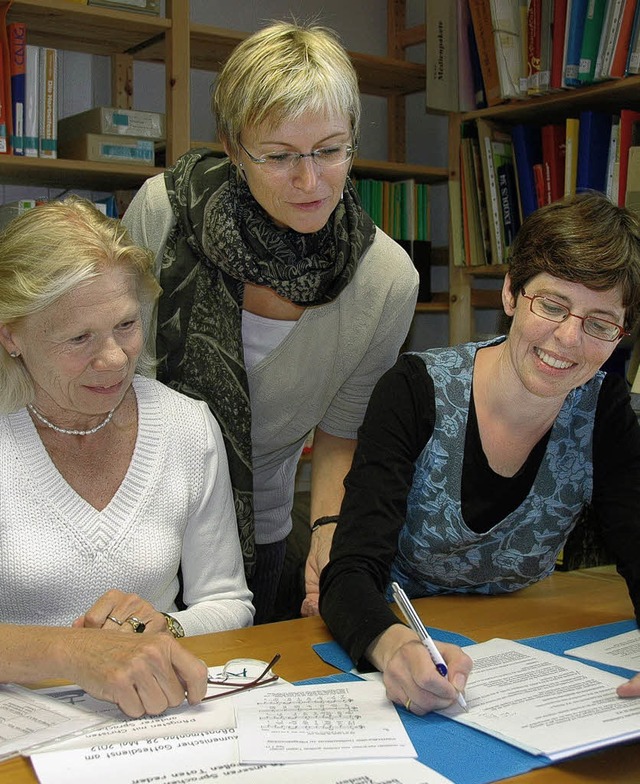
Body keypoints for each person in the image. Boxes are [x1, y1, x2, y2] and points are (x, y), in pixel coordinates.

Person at [122, 20, 419, 624]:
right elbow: (109, 377)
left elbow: (340, 434)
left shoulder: (386, 280)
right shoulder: (164, 213)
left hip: (261, 536)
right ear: (234, 147)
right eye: (280, 156)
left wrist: (330, 533)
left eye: (330, 151)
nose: (310, 182)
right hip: (131, 523)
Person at [320, 192, 640, 713]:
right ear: (511, 293)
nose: (568, 339)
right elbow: (350, 572)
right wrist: (393, 646)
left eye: (600, 324)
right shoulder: (413, 391)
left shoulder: (604, 410)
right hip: (403, 639)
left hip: (521, 647)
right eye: (552, 305)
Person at [0, 197, 254, 717]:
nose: (114, 359)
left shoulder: (186, 427)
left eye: (126, 326)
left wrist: (168, 625)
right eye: (79, 338)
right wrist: (75, 653)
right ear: (12, 335)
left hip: (151, 719)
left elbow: (230, 603)